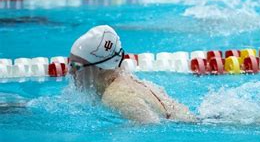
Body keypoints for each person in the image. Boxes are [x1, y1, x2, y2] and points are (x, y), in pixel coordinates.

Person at [68, 25, 196, 124]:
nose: (70, 71)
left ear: (100, 68)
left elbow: (150, 125)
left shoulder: (115, 95)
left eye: (76, 66)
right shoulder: (125, 81)